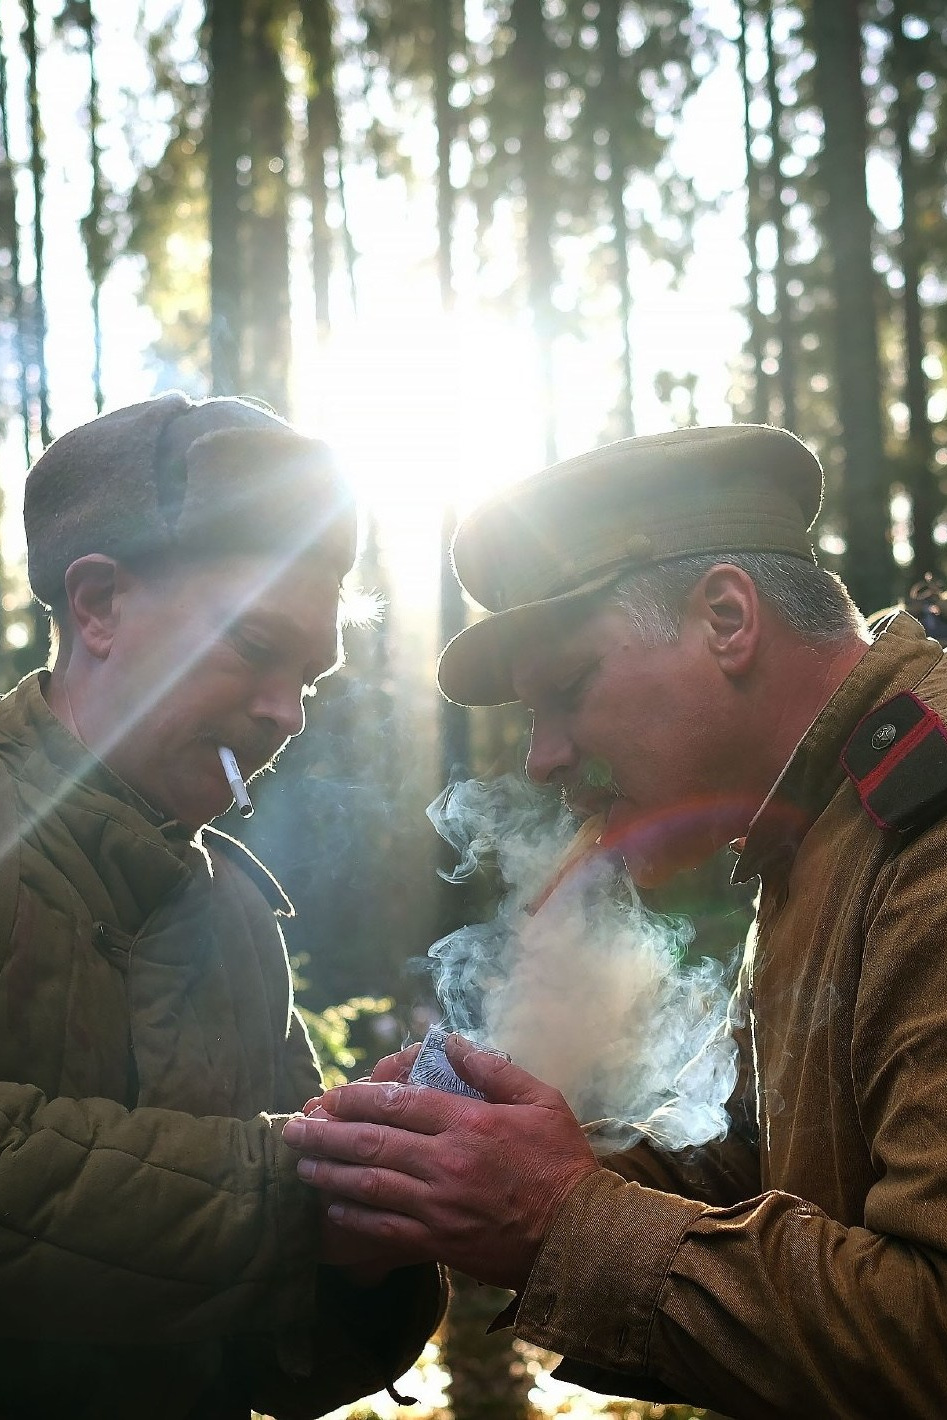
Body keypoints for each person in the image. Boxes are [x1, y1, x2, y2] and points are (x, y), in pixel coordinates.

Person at [283, 423, 947, 1419]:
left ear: (726, 617)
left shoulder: (924, 827)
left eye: (567, 690)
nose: (542, 757)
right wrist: (476, 1169)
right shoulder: (817, 825)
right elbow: (756, 1166)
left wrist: (555, 1215)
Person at [0, 391, 444, 1420]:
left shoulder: (239, 918)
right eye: (251, 646)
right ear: (98, 605)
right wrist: (298, 1201)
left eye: (310, 677)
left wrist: (371, 1221)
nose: (286, 713)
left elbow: (272, 1365)